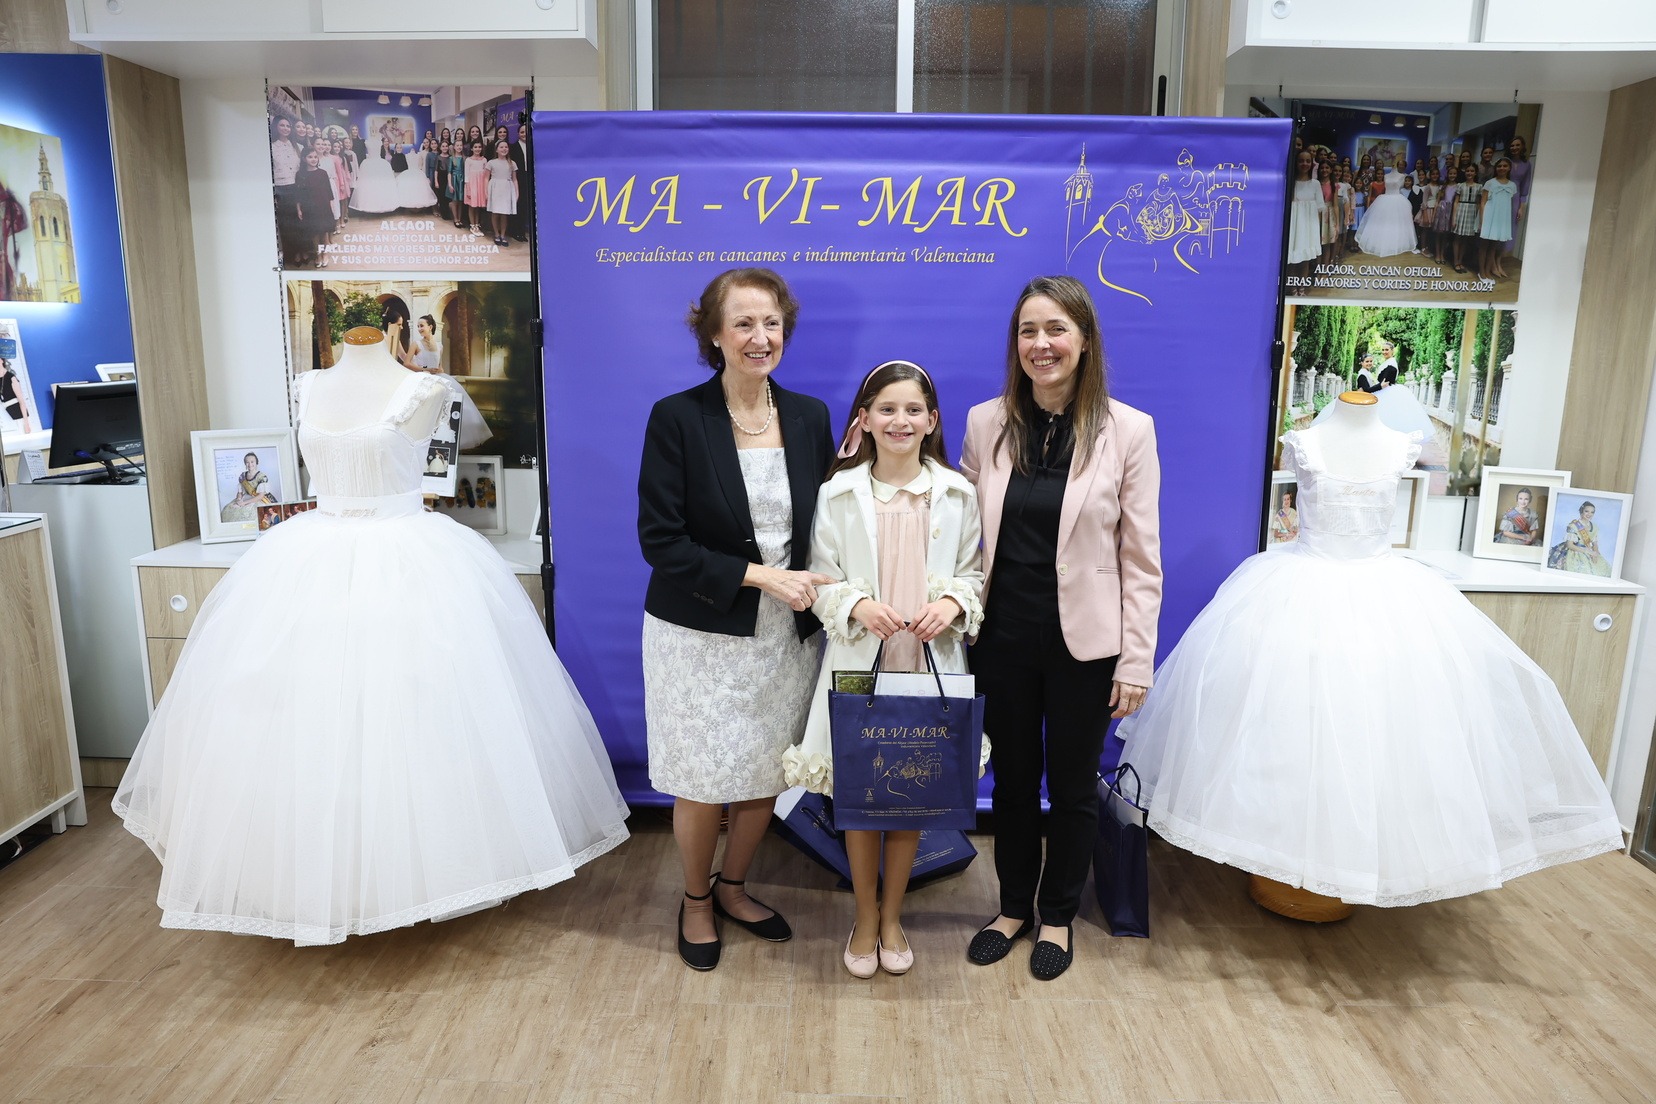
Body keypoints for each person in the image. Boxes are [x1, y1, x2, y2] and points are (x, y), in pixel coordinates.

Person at [113, 328, 630, 944]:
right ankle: (309, 880)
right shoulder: (308, 387)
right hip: (311, 558)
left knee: (416, 715)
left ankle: (426, 875)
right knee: (301, 720)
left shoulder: (426, 391)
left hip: (409, 558)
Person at [1118, 393, 1622, 907]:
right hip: (1299, 596)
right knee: (1287, 729)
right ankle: (1281, 859)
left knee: (1381, 734)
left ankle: (1349, 865)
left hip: (1384, 598)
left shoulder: (1402, 445)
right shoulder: (1305, 442)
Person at [961, 275, 1162, 981]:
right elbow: (963, 535)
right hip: (1003, 639)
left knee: (1073, 788)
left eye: (1056, 330)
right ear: (1014, 343)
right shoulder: (985, 422)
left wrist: (1135, 662)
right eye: (1028, 331)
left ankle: (1057, 916)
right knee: (1013, 784)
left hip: (1087, 646)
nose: (1041, 344)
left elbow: (1141, 559)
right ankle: (1013, 907)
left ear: (1084, 340)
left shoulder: (1128, 430)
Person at [636, 268, 835, 972]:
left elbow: (828, 522)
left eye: (772, 323)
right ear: (714, 334)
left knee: (764, 770)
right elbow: (661, 541)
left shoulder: (809, 415)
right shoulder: (677, 417)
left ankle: (735, 886)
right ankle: (696, 898)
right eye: (744, 323)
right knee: (701, 776)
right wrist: (760, 576)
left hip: (786, 636)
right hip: (699, 633)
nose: (760, 337)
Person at [784, 360, 985, 978]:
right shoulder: (838, 494)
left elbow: (973, 574)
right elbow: (820, 580)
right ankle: (865, 916)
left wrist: (952, 604)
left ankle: (893, 915)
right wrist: (856, 604)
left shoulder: (957, 493)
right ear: (865, 420)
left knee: (910, 793)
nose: (901, 421)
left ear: (932, 420)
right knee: (862, 794)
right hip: (860, 660)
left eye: (913, 410)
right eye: (887, 409)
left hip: (926, 660)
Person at [400, 314, 492, 448]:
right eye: (418, 326)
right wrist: (425, 369)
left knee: (450, 408)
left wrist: (439, 371)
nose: (419, 329)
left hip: (440, 378)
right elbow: (407, 363)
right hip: (424, 378)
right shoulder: (416, 344)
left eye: (422, 326)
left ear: (430, 327)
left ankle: (446, 441)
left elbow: (440, 366)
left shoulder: (439, 346)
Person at [1355, 157, 1419, 257]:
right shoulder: (1386, 176)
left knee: (1395, 223)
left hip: (1398, 201)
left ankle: (1395, 244)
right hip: (1385, 200)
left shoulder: (1402, 176)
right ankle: (1382, 244)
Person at [270, 116, 304, 265]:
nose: (286, 128)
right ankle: (292, 254)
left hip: (296, 187)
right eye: (282, 125)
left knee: (299, 222)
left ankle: (302, 251)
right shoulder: (272, 147)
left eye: (288, 126)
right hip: (281, 189)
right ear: (276, 127)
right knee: (286, 224)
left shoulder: (297, 146)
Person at [1286, 150, 1324, 281]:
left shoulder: (1315, 184)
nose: (1304, 164)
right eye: (1301, 161)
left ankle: (1302, 285)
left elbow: (1319, 209)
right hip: (1293, 225)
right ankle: (1292, 286)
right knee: (1291, 255)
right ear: (1295, 163)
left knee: (1305, 258)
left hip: (1309, 226)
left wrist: (1317, 231)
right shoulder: (1290, 182)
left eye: (1308, 161)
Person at [1478, 158, 1518, 281]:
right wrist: (1482, 221)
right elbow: (1483, 202)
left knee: (1493, 247)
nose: (1502, 168)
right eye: (1499, 166)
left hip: (1500, 218)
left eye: (1505, 166)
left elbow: (1507, 204)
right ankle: (1481, 272)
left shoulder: (1512, 185)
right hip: (1489, 216)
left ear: (1509, 168)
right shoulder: (1490, 183)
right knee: (1484, 246)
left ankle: (1488, 271)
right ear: (1496, 168)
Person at [1549, 501, 1613, 577]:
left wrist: (1595, 554)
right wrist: (1588, 551)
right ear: (1581, 511)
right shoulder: (1574, 526)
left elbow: (1595, 544)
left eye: (1592, 512)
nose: (1589, 514)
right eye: (1586, 511)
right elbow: (1570, 545)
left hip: (1590, 551)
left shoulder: (1594, 527)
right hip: (1574, 551)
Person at [485, 139, 518, 247]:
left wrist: (516, 192)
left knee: (504, 213)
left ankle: (503, 235)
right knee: (495, 212)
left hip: (506, 188)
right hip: (495, 188)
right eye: (501, 147)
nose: (504, 149)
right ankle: (496, 234)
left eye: (506, 147)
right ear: (497, 150)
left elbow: (514, 179)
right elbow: (486, 178)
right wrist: (486, 192)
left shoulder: (512, 163)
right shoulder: (491, 163)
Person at [463, 139, 490, 235]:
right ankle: (472, 225)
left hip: (481, 185)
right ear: (471, 149)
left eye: (479, 147)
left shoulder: (484, 160)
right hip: (472, 185)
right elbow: (466, 175)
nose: (477, 149)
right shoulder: (468, 160)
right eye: (475, 147)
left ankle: (477, 224)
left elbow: (486, 175)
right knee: (472, 205)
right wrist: (468, 189)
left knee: (478, 206)